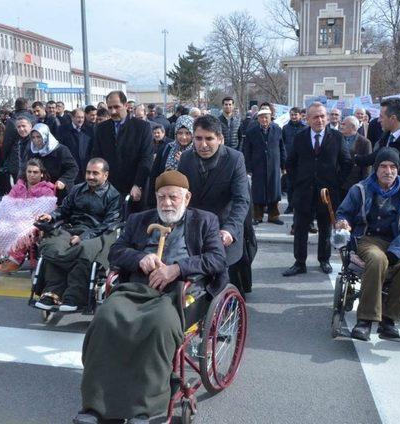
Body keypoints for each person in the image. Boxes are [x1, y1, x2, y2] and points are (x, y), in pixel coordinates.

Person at [74, 170, 227, 424]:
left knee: (157, 325)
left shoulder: (205, 221)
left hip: (179, 293)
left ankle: (142, 409)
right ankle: (96, 405)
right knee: (106, 319)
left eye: (173, 198)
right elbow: (116, 252)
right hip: (135, 289)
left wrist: (176, 269)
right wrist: (139, 258)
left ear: (187, 198)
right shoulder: (138, 220)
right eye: (162, 197)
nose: (167, 203)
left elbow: (217, 259)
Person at [336, 148, 400, 341]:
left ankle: (388, 319)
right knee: (377, 259)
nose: (388, 171)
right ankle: (365, 320)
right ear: (375, 168)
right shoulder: (360, 189)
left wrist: (397, 250)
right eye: (383, 166)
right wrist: (342, 221)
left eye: (392, 167)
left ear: (398, 169)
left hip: (399, 243)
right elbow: (343, 212)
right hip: (368, 239)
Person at [177, 115, 252, 295]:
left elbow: (241, 200)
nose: (203, 145)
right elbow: (181, 194)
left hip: (224, 228)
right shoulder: (186, 159)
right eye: (198, 138)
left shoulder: (235, 159)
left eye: (209, 138)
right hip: (196, 228)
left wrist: (230, 230)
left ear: (220, 138)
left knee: (226, 286)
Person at [34, 158, 121, 310]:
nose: (90, 177)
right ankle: (52, 292)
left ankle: (74, 296)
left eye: (95, 173)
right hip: (72, 228)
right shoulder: (77, 189)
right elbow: (64, 209)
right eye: (88, 172)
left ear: (105, 175)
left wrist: (84, 237)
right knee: (52, 246)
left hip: (98, 233)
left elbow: (109, 224)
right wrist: (52, 216)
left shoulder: (113, 196)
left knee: (84, 249)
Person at [283, 102, 352, 277]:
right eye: (315, 117)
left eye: (322, 116)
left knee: (325, 228)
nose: (320, 120)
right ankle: (299, 262)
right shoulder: (300, 137)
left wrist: (337, 183)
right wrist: (297, 181)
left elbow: (346, 162)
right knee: (300, 228)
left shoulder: (337, 137)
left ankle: (324, 260)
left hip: (327, 193)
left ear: (327, 117)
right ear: (307, 119)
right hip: (304, 191)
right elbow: (290, 162)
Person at [0, 159, 56, 273]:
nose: (32, 175)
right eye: (29, 172)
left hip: (32, 222)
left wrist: (21, 216)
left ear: (41, 174)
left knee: (22, 231)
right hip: (13, 219)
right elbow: (7, 204)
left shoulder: (47, 190)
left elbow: (44, 209)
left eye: (35, 172)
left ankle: (15, 261)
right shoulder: (18, 187)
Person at [91, 90, 153, 212]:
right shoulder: (101, 128)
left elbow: (146, 158)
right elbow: (97, 157)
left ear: (126, 106)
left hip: (134, 188)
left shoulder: (142, 127)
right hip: (109, 188)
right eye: (110, 108)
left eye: (117, 107)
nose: (113, 111)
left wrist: (138, 184)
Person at [244, 106, 285, 225]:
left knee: (274, 190)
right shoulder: (251, 131)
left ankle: (274, 216)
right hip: (258, 165)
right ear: (258, 119)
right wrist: (248, 167)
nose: (264, 120)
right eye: (261, 118)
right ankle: (257, 216)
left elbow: (282, 147)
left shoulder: (277, 129)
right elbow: (247, 150)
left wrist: (283, 164)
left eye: (266, 118)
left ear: (270, 118)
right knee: (258, 191)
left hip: (274, 164)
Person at [147, 115, 194, 207]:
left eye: (187, 133)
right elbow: (154, 175)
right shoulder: (168, 148)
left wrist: (184, 162)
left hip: (188, 203)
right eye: (180, 133)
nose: (183, 137)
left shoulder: (197, 151)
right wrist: (152, 202)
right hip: (165, 200)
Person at [26, 123, 78, 204]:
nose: (36, 140)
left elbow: (73, 168)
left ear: (46, 136)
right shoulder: (32, 151)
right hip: (40, 193)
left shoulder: (61, 150)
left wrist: (63, 180)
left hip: (59, 191)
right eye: (33, 137)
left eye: (39, 137)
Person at [2, 97, 36, 181]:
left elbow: (7, 142)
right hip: (33, 156)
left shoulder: (11, 121)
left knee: (19, 185)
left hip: (16, 157)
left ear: (15, 107)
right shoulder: (34, 118)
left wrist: (5, 157)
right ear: (27, 106)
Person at [58, 108, 94, 183]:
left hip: (85, 166)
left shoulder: (89, 130)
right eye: (78, 117)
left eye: (82, 117)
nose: (80, 120)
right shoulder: (63, 130)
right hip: (71, 165)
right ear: (72, 117)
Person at [281, 107, 307, 213]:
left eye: (296, 114)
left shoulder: (305, 128)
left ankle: (299, 205)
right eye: (292, 115)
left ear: (300, 115)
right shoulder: (285, 128)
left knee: (301, 185)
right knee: (290, 185)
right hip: (289, 160)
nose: (294, 117)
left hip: (302, 161)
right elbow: (282, 144)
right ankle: (290, 206)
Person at [340, 116, 372, 200]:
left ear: (353, 127)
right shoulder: (337, 138)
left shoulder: (365, 142)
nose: (341, 126)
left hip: (354, 183)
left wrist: (364, 185)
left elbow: (367, 167)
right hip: (339, 182)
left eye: (344, 124)